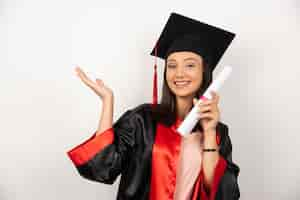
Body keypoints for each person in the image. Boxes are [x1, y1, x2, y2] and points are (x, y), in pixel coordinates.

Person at [66, 12, 240, 200]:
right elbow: (102, 169)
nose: (179, 73)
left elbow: (223, 193)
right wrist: (107, 101)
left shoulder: (218, 133)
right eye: (172, 65)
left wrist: (209, 133)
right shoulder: (142, 120)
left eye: (190, 65)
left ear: (204, 72)